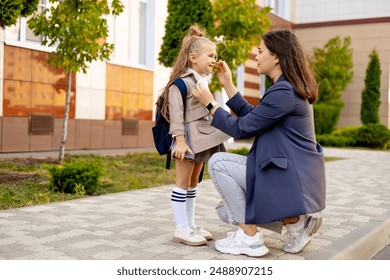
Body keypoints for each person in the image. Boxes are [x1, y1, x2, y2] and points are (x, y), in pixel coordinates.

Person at [192, 29, 326, 257]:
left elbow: (242, 128)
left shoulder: (284, 91)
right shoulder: (286, 88)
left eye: (260, 51)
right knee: (226, 210)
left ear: (276, 56)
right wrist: (228, 85)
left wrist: (210, 104)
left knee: (218, 163)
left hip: (286, 178)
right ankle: (295, 224)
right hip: (289, 177)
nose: (255, 55)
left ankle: (249, 238)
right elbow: (254, 118)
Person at [156, 25, 230, 246]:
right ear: (193, 57)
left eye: (214, 56)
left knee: (193, 184)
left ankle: (190, 225)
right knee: (182, 183)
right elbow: (177, 116)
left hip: (202, 139)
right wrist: (179, 141)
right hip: (187, 140)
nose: (213, 59)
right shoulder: (180, 84)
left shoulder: (201, 82)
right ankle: (181, 229)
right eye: (210, 55)